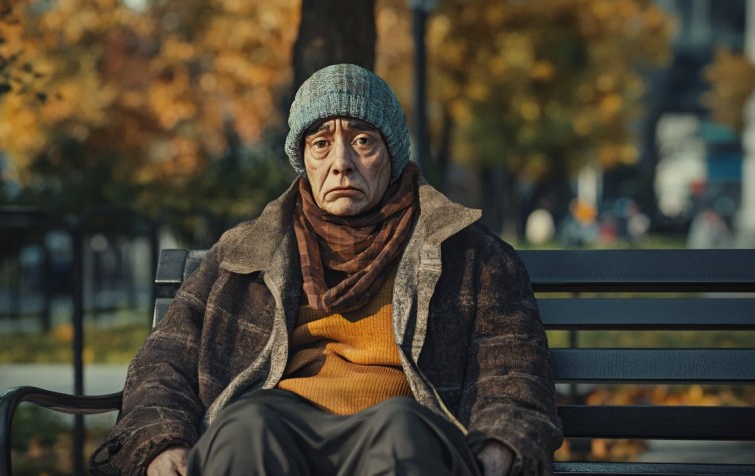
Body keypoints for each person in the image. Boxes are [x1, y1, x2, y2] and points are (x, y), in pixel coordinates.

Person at [91, 64, 562, 476]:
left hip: (403, 422)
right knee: (245, 430)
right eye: (321, 143)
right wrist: (162, 440)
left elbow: (513, 365)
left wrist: (502, 443)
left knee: (401, 432)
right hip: (277, 421)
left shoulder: (467, 252)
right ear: (304, 161)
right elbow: (163, 361)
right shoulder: (244, 252)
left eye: (362, 141)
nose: (341, 163)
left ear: (392, 153)